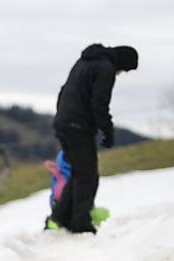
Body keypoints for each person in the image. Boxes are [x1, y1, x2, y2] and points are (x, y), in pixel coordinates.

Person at [49, 44, 139, 233]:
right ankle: (80, 223)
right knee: (88, 176)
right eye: (125, 70)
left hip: (63, 122)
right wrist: (107, 130)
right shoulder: (105, 68)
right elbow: (99, 102)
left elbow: (63, 90)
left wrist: (64, 117)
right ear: (122, 62)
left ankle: (60, 217)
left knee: (78, 172)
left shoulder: (84, 61)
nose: (121, 73)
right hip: (78, 126)